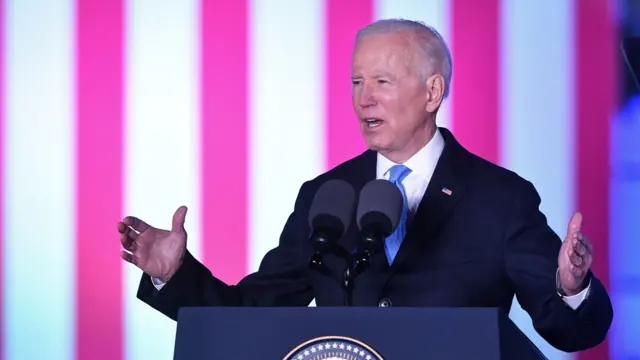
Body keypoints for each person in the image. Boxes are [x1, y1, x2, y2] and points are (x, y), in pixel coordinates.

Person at [118, 19, 612, 352]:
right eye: (356, 83)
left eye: (382, 82)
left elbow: (573, 330)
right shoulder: (326, 195)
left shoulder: (500, 197)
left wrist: (572, 289)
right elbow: (252, 314)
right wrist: (174, 273)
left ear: (432, 91)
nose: (364, 100)